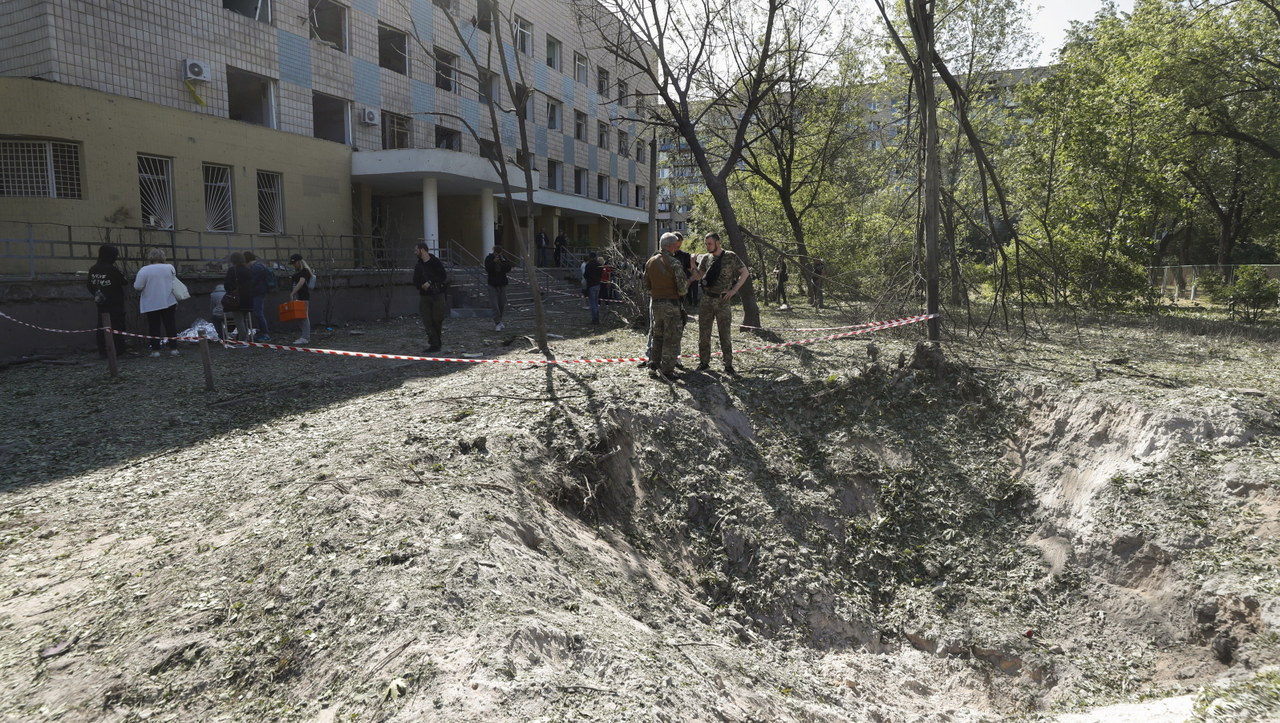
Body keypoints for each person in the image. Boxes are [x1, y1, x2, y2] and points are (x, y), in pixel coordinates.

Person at [695, 232, 750, 374]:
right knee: (704, 333)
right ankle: (704, 362)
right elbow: (699, 275)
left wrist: (734, 290)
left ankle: (728, 364)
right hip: (706, 300)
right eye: (706, 244)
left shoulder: (730, 256)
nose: (707, 246)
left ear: (718, 242)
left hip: (722, 301)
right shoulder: (706, 258)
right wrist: (691, 264)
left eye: (710, 243)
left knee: (724, 333)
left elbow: (745, 272)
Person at [643, 232, 695, 380]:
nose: (676, 248)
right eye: (675, 245)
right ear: (671, 246)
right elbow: (682, 289)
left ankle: (653, 365)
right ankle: (667, 371)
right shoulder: (674, 263)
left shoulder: (650, 262)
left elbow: (646, 285)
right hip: (671, 304)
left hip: (656, 304)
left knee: (657, 335)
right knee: (671, 338)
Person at [133, 247, 181, 357]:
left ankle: (156, 350)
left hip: (151, 302)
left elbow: (138, 286)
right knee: (170, 325)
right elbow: (174, 282)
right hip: (169, 300)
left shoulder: (144, 270)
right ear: (163, 257)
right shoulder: (169, 267)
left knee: (154, 326)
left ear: (150, 257)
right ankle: (174, 349)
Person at [87, 243, 130, 357]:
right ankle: (118, 350)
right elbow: (124, 281)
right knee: (116, 326)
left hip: (100, 302)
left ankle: (103, 350)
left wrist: (98, 294)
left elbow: (89, 285)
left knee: (101, 326)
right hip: (115, 303)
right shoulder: (112, 270)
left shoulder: (93, 269)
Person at [413, 242, 449, 352]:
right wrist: (421, 286)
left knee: (437, 319)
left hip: (437, 295)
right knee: (427, 321)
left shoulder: (435, 262)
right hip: (425, 296)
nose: (415, 252)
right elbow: (415, 281)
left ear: (422, 250)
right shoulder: (418, 266)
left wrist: (430, 282)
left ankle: (437, 340)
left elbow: (442, 276)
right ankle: (434, 343)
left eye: (416, 250)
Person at [224, 252, 256, 342]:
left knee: (239, 320)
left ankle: (242, 340)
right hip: (248, 298)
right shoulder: (248, 270)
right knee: (244, 320)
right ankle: (246, 338)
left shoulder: (232, 270)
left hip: (236, 299)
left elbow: (227, 285)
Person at [243, 251, 273, 341]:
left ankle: (265, 334)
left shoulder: (256, 268)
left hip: (258, 293)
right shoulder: (259, 266)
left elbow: (253, 282)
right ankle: (263, 332)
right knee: (258, 312)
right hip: (259, 292)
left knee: (258, 313)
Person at [484, 243, 513, 332]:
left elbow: (508, 268)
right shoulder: (489, 258)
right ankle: (497, 322)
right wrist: (494, 262)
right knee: (494, 305)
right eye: (497, 253)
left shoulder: (504, 258)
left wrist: (502, 262)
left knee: (501, 305)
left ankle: (499, 321)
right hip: (492, 285)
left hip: (502, 284)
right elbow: (488, 269)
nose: (498, 255)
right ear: (494, 252)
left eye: (500, 253)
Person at [288, 253, 314, 345]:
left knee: (304, 317)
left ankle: (305, 337)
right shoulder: (298, 272)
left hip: (303, 296)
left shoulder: (305, 271)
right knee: (299, 316)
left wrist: (292, 293)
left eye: (295, 263)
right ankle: (304, 336)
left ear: (299, 262)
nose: (294, 265)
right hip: (298, 296)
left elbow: (301, 282)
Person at [584, 251, 603, 325]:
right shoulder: (599, 265)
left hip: (591, 285)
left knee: (592, 303)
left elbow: (585, 275)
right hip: (597, 284)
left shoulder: (589, 265)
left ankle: (594, 319)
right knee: (596, 302)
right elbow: (601, 274)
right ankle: (597, 317)